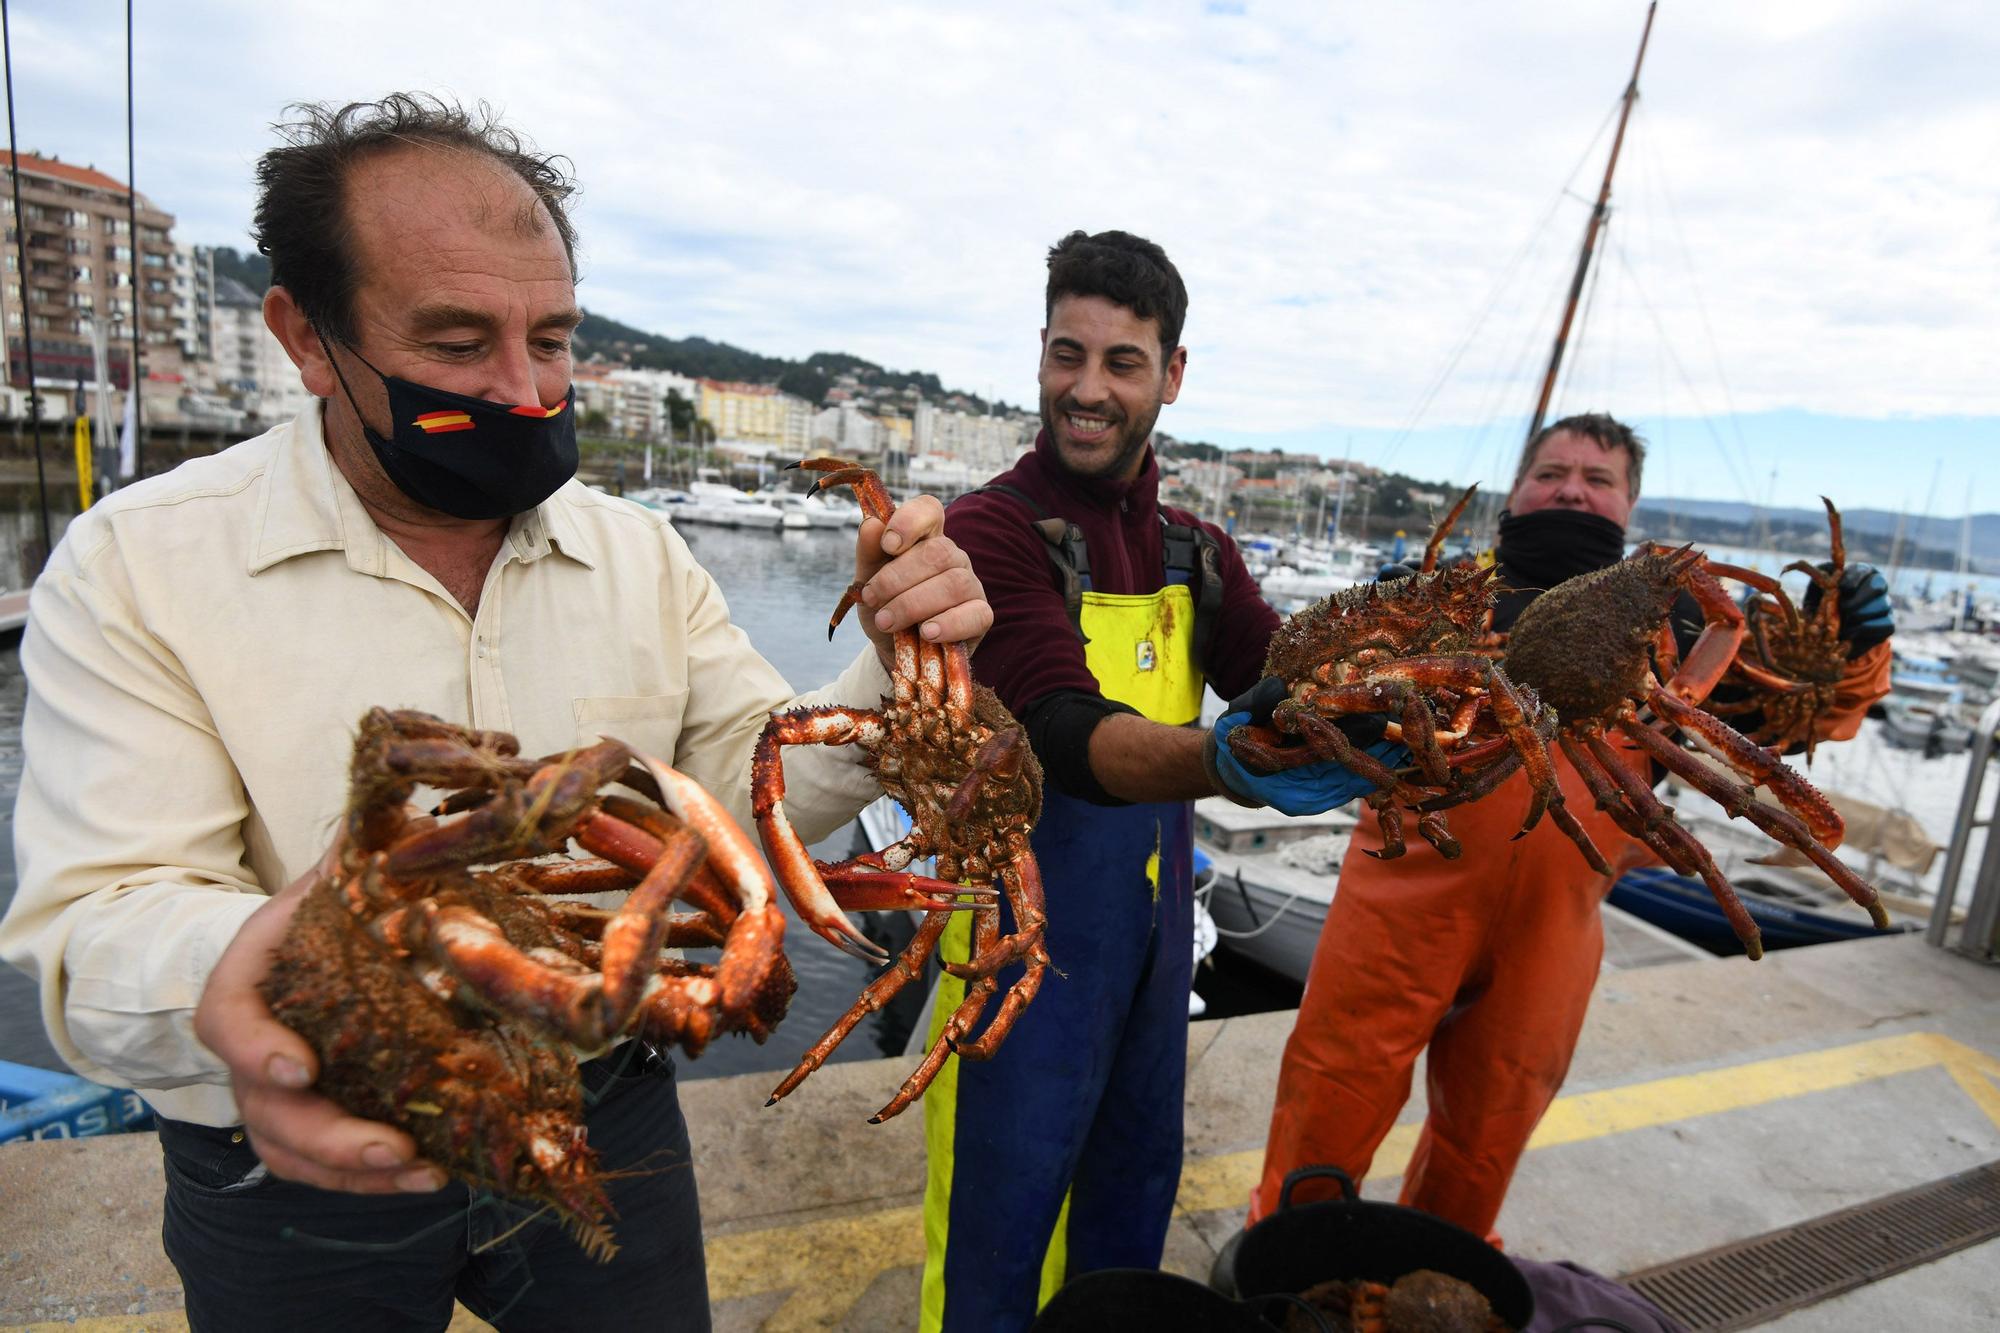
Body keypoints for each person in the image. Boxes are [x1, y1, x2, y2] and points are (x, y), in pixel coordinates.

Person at [0, 94, 992, 1333]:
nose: (525, 391)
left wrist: (886, 682)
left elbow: (743, 791)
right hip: (301, 1151)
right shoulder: (137, 564)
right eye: (460, 343)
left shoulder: (641, 554)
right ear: (307, 338)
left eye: (556, 339)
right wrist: (292, 968)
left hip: (600, 1090)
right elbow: (97, 917)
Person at [1238, 412, 1895, 1248]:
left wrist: (1857, 641)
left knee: (1488, 1135)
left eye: (1598, 479)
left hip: (1557, 928)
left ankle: (1435, 1278)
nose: (1572, 489)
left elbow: (1809, 710)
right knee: (1332, 1091)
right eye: (1552, 472)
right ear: (1515, 490)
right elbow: (1310, 696)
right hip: (1399, 904)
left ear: (1630, 505)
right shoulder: (1437, 598)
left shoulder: (1679, 623)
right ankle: (1284, 1266)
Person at [929, 229, 1388, 1332]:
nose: (1084, 390)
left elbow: (1285, 677)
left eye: (1119, 362)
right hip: (1016, 955)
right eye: (1063, 354)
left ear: (1170, 375)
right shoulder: (990, 531)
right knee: (991, 1241)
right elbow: (1059, 729)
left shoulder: (1197, 549)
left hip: (1145, 951)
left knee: (1128, 1209)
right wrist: (1220, 759)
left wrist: (1373, 700)